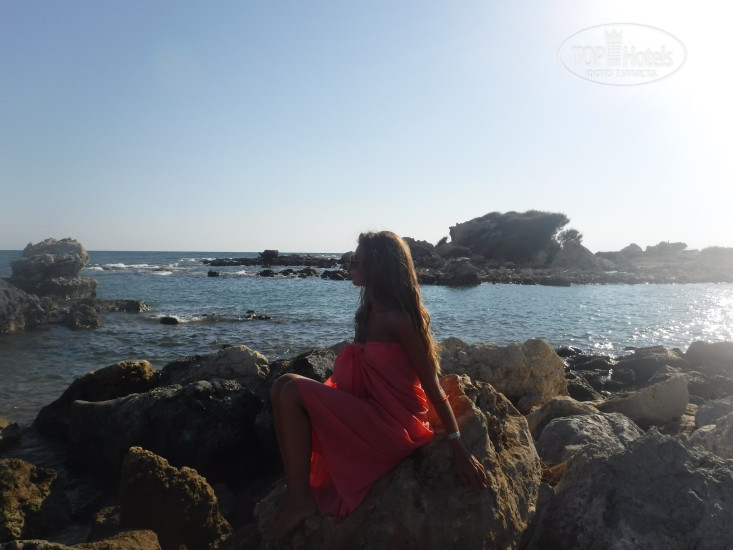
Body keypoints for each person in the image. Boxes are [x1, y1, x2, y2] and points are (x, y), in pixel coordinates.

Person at [261, 231, 487, 541]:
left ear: (378, 267)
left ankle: (300, 500)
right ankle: (295, 493)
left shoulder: (401, 320)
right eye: (351, 259)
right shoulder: (366, 315)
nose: (350, 265)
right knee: (280, 387)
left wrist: (459, 447)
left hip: (395, 424)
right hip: (369, 410)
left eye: (357, 261)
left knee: (291, 390)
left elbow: (433, 387)